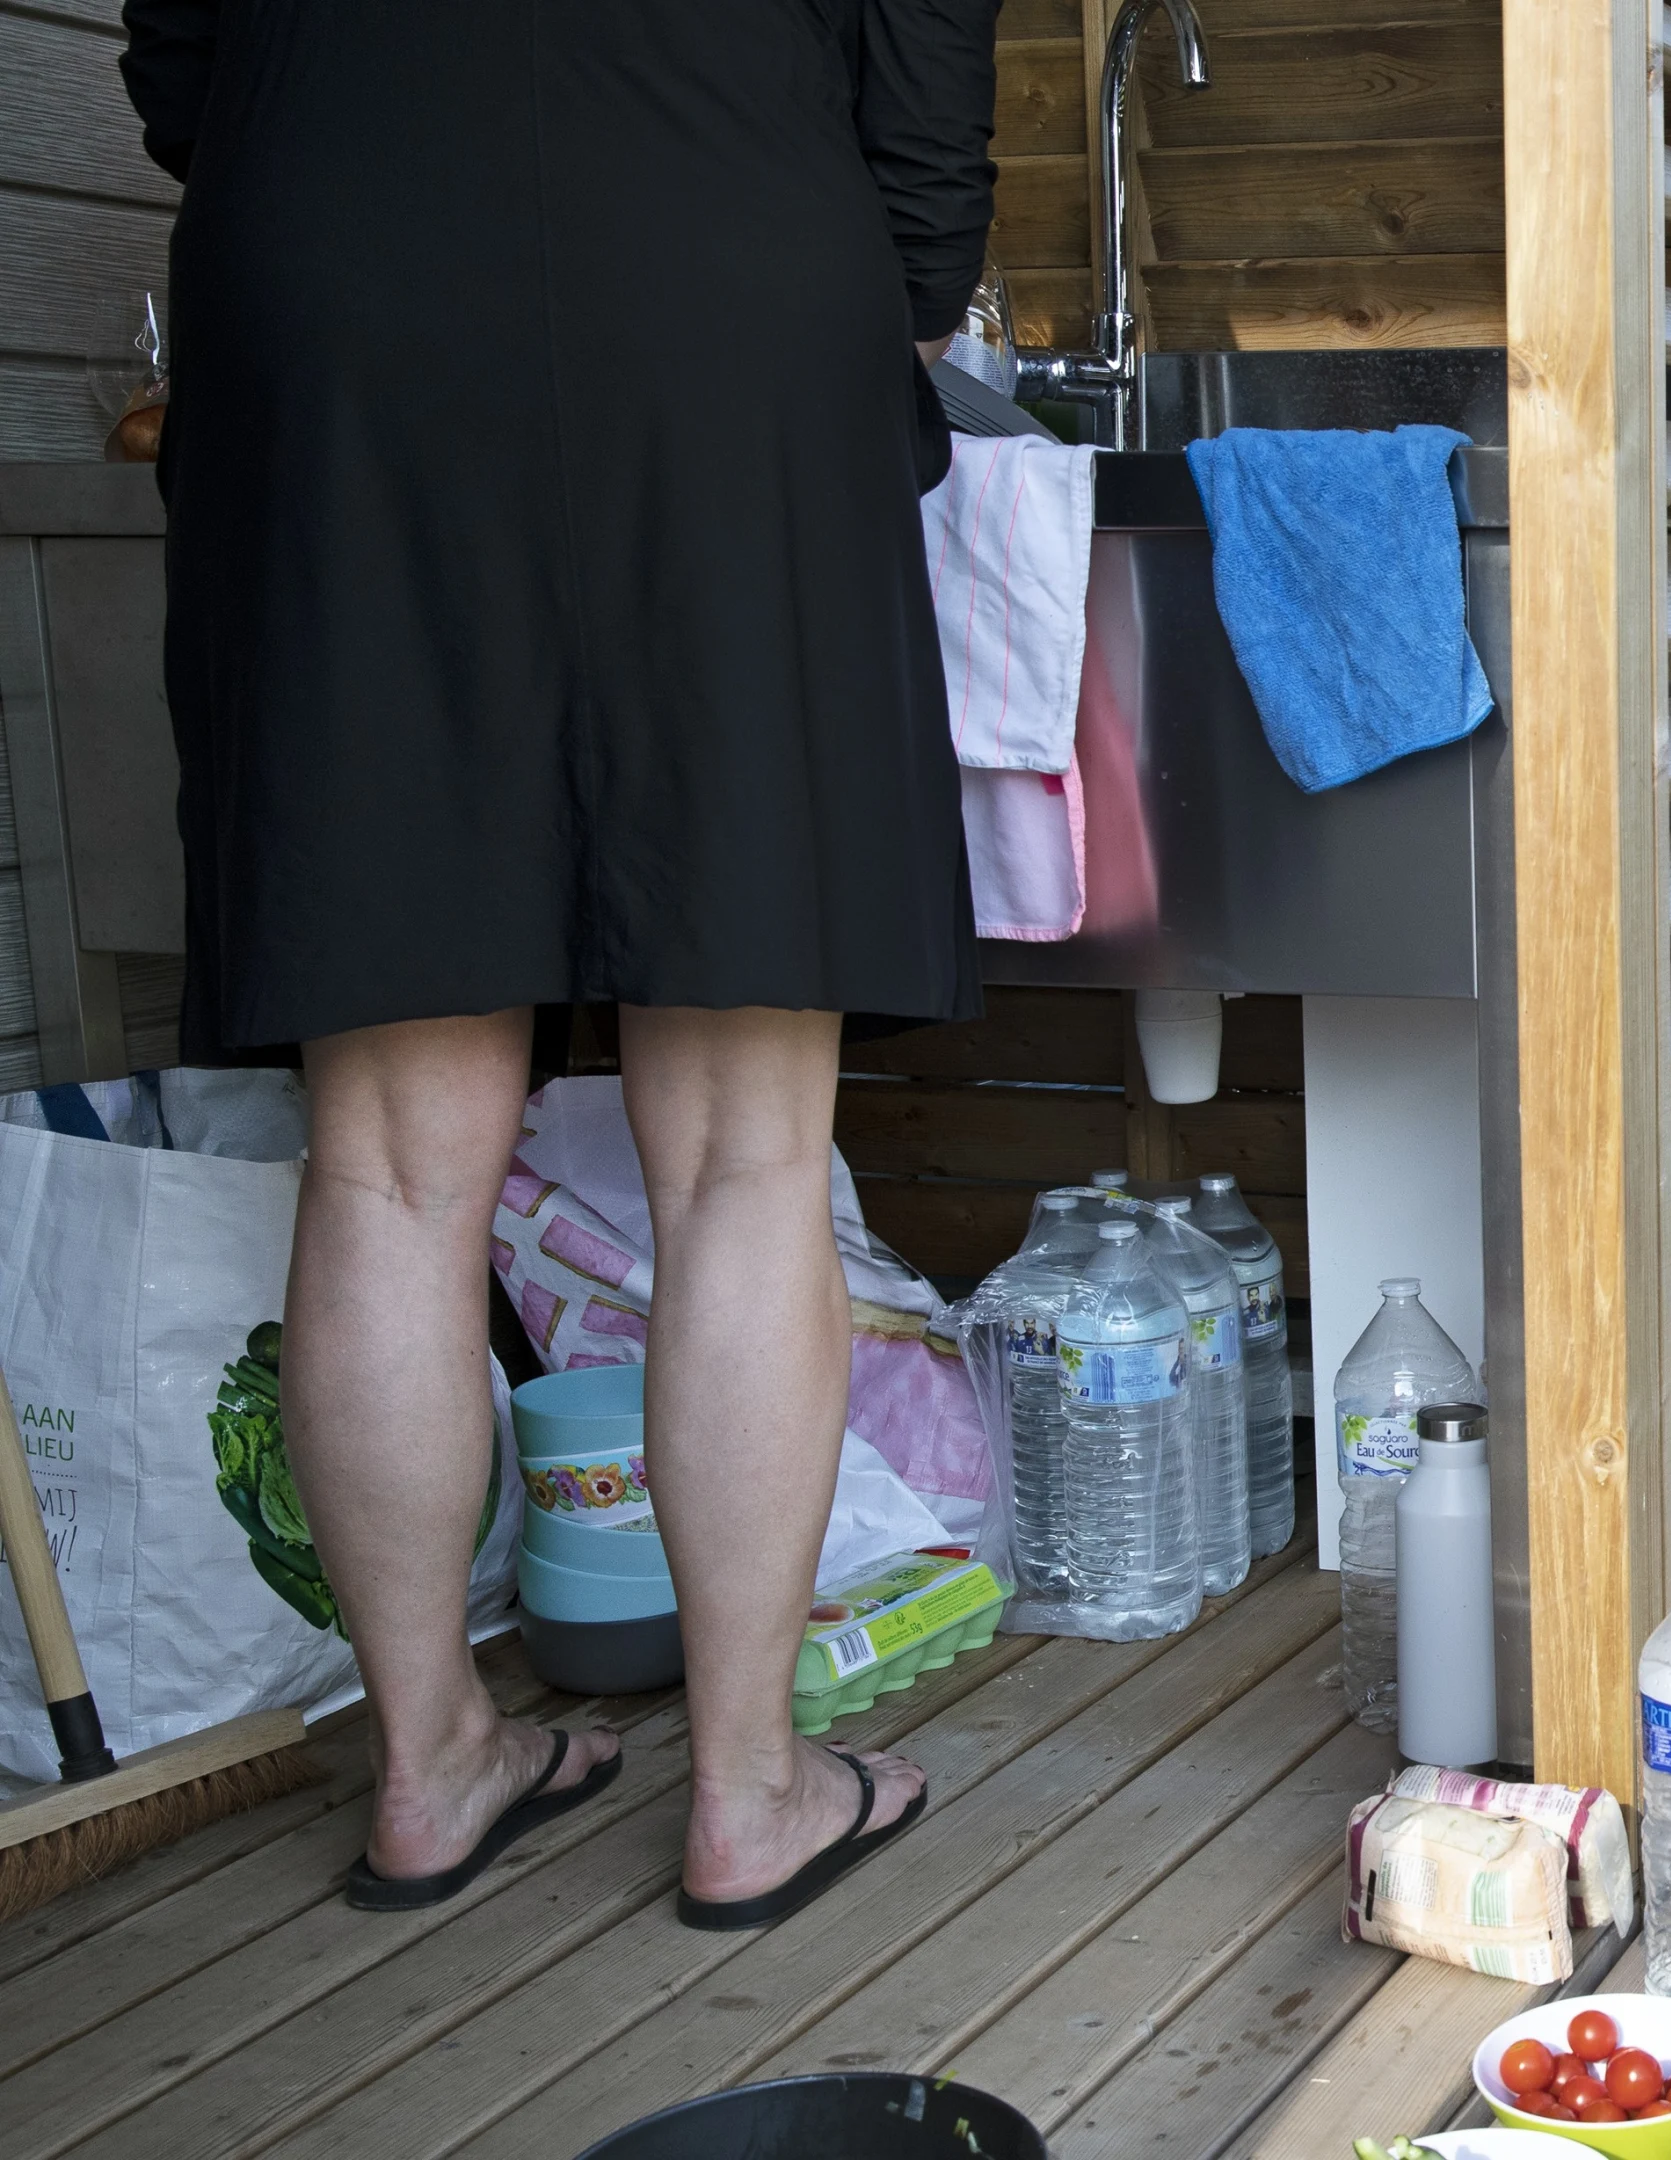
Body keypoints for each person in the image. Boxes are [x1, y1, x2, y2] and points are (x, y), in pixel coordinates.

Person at [120, 0, 1000, 1926]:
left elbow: (180, 46)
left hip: (335, 264)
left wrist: (325, 145)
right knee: (744, 1145)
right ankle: (752, 1794)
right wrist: (904, 277)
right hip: (725, 266)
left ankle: (429, 1766)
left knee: (387, 1155)